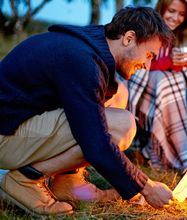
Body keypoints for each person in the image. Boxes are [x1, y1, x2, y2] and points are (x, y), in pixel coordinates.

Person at [0, 6, 174, 216]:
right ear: (128, 38)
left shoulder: (90, 46)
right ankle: (25, 179)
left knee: (119, 95)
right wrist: (146, 187)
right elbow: (95, 141)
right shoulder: (83, 61)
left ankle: (68, 181)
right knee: (122, 125)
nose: (147, 64)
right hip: (6, 136)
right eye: (148, 55)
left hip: (19, 119)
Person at [126, 0, 187, 171]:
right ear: (161, 9)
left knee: (173, 79)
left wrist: (185, 66)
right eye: (171, 11)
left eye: (181, 14)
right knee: (161, 79)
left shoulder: (180, 37)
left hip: (161, 94)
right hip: (139, 89)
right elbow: (136, 64)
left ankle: (154, 150)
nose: (176, 18)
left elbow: (174, 70)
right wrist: (169, 62)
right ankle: (186, 157)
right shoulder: (147, 30)